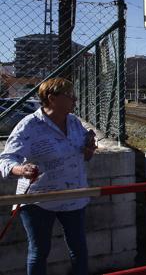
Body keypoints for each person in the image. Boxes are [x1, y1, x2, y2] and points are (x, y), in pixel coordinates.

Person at [0, 77, 97, 275]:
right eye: (70, 95)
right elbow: (6, 160)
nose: (75, 99)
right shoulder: (29, 126)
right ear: (52, 98)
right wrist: (22, 170)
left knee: (79, 250)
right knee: (39, 251)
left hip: (73, 197)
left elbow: (84, 156)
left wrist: (89, 148)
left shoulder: (74, 122)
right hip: (38, 200)